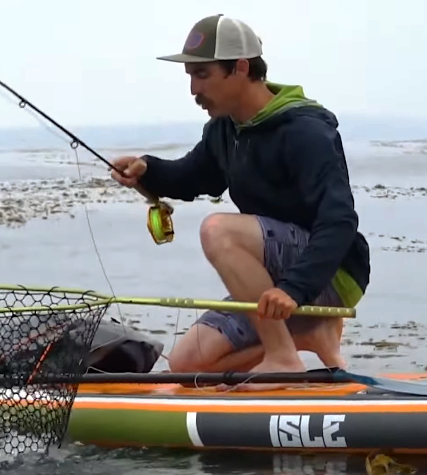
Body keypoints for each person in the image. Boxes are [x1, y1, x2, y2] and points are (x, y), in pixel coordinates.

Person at [110, 14, 371, 390]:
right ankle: (305, 339)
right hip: (275, 277)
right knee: (187, 365)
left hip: (331, 273)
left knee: (218, 230)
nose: (193, 90)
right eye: (189, 76)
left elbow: (339, 221)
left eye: (202, 75)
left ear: (241, 68)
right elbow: (193, 177)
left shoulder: (305, 131)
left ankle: (283, 358)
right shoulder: (224, 129)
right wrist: (146, 169)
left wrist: (293, 289)